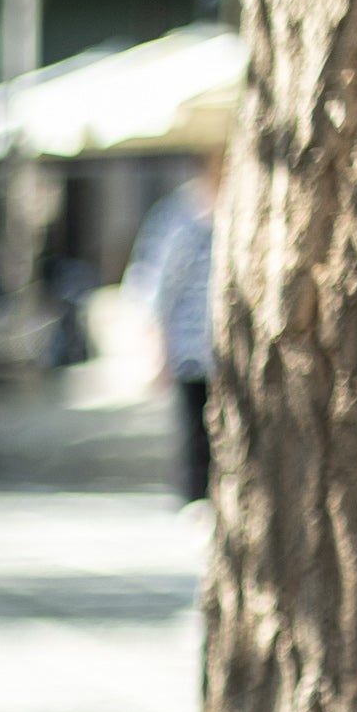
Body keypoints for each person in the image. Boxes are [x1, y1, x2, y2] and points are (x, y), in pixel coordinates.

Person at [125, 150, 221, 507]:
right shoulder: (179, 217)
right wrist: (156, 350)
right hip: (192, 350)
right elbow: (153, 287)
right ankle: (197, 501)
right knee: (197, 434)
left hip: (231, 352)